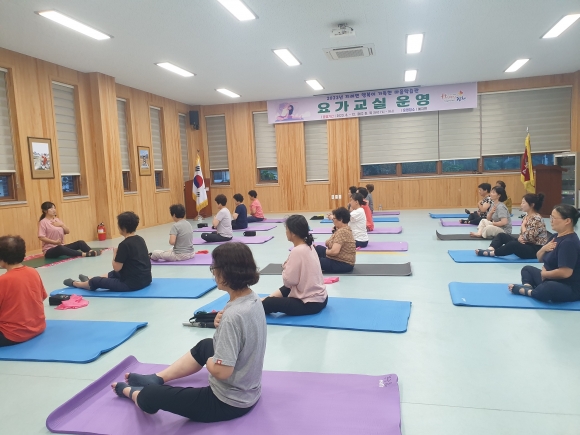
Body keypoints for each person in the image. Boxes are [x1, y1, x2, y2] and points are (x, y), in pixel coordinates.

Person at [111, 243, 266, 423]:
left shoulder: (233, 316)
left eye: (214, 268)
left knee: (152, 394)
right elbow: (243, 330)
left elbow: (222, 372)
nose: (213, 273)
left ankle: (134, 394)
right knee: (206, 345)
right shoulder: (252, 298)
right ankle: (158, 378)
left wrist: (211, 361)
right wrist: (221, 324)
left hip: (227, 402)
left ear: (226, 273)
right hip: (249, 389)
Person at [63, 212, 152, 292]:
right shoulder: (140, 239)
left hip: (131, 285)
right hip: (146, 279)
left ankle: (77, 283)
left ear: (122, 227)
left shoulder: (124, 245)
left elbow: (117, 268)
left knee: (96, 281)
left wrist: (115, 254)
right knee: (115, 273)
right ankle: (89, 278)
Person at [509, 204, 580, 303]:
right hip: (550, 278)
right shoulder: (555, 237)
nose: (551, 220)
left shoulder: (569, 242)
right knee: (527, 269)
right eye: (551, 217)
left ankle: (529, 292)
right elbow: (540, 258)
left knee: (548, 288)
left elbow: (565, 273)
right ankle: (529, 287)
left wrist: (545, 274)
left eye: (554, 218)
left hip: (568, 286)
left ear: (567, 221)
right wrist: (543, 249)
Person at [262, 215, 328, 316]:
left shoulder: (297, 251)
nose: (286, 232)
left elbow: (289, 281)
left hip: (310, 304)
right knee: (284, 291)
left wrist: (285, 267)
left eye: (287, 229)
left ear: (293, 233)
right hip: (322, 298)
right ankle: (266, 299)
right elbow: (290, 286)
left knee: (268, 303)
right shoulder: (309, 245)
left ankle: (265, 301)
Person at [0, 236, 47, 347]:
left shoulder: (3, 280)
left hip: (12, 335)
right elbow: (42, 297)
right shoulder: (33, 272)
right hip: (38, 327)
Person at [476, 193, 548, 259]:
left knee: (513, 245)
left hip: (535, 250)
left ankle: (492, 253)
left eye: (523, 203)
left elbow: (530, 238)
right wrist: (519, 238)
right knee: (501, 235)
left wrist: (523, 226)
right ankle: (490, 249)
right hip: (526, 243)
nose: (521, 205)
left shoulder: (537, 219)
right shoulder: (526, 216)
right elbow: (523, 235)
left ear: (532, 205)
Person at [315, 207, 356, 273]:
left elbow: (334, 252)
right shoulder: (342, 229)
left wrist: (325, 251)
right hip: (338, 259)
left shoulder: (342, 232)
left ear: (341, 220)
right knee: (318, 248)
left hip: (343, 264)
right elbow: (328, 243)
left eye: (334, 219)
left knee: (314, 260)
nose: (333, 221)